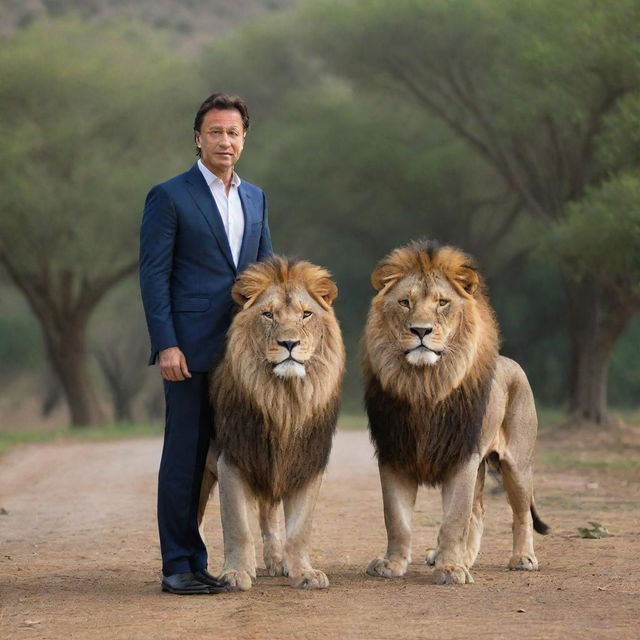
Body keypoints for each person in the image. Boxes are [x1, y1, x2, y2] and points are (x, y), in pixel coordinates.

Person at [139, 93, 273, 595]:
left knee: (240, 454)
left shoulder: (256, 197)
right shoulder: (169, 196)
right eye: (215, 131)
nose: (225, 140)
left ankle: (240, 558)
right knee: (186, 457)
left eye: (233, 132)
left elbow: (266, 275)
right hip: (190, 352)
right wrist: (167, 345)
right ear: (198, 137)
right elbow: (154, 278)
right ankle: (180, 563)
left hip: (244, 355)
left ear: (244, 138)